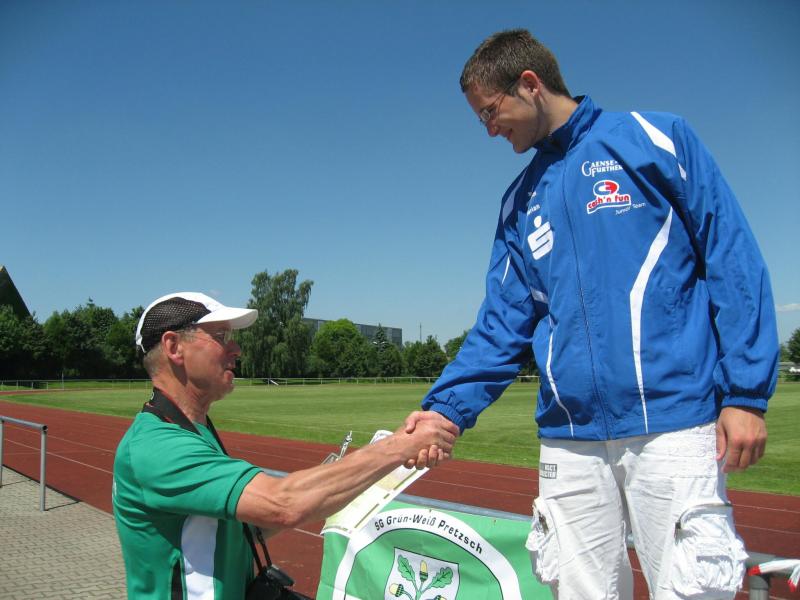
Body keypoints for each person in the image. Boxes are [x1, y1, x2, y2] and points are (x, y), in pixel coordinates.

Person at [413, 30, 778, 599]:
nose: (488, 130)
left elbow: (732, 259)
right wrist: (443, 411)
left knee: (691, 590)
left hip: (673, 423)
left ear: (529, 84)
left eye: (490, 111)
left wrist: (745, 394)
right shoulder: (519, 202)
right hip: (569, 437)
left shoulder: (658, 139)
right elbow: (502, 323)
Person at [112, 292, 458, 599]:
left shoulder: (192, 431)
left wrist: (341, 476)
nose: (236, 349)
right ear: (174, 347)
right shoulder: (154, 447)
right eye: (220, 337)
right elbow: (282, 503)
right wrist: (400, 446)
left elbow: (249, 526)